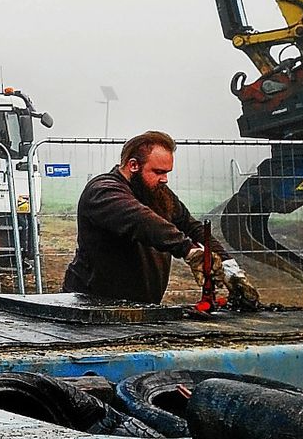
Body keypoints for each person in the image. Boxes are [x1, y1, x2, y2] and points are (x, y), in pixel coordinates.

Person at [62, 130, 261, 308]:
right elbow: (141, 220)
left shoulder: (158, 193)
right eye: (158, 172)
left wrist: (230, 269)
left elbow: (192, 227)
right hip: (90, 307)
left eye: (167, 172)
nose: (165, 179)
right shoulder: (103, 191)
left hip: (140, 308)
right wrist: (189, 251)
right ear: (133, 165)